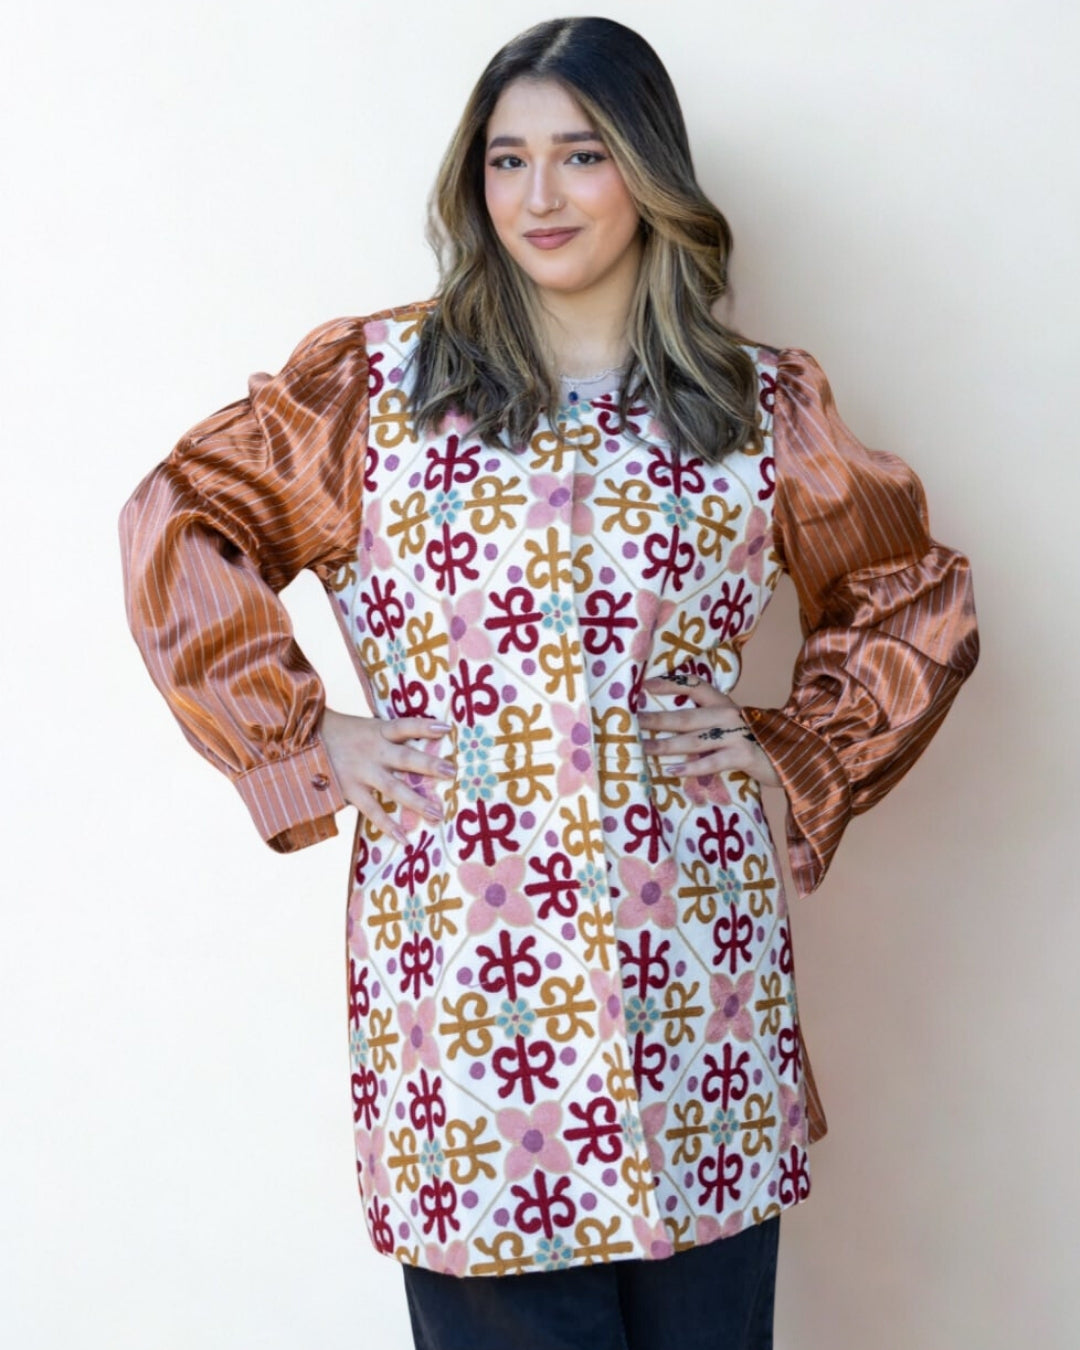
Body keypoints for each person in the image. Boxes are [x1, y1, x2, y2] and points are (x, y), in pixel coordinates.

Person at [119, 16, 978, 1350]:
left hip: (696, 981)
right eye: (505, 160)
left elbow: (905, 595)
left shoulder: (758, 408)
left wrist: (788, 740)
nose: (538, 195)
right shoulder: (373, 390)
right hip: (474, 993)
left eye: (581, 156)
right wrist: (306, 736)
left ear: (649, 174)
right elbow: (185, 516)